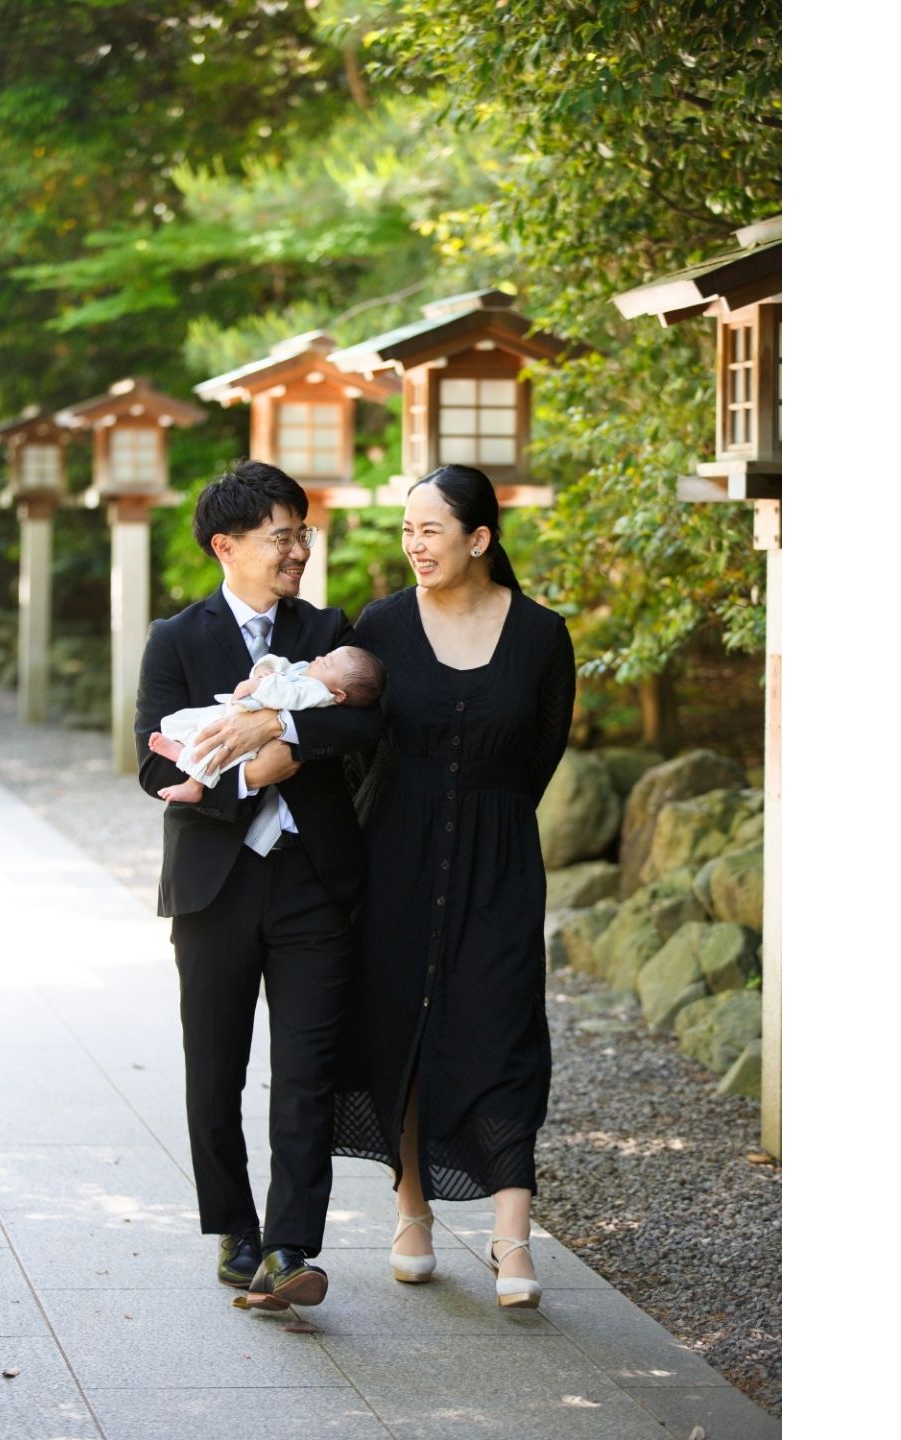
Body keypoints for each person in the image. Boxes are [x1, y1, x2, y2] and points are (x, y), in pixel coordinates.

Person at [134, 459, 383, 1311]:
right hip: (213, 886)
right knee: (216, 1067)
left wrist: (277, 723)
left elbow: (361, 718)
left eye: (303, 534)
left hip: (314, 879)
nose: (299, 551)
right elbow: (148, 762)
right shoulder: (175, 639)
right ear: (226, 545)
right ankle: (234, 1228)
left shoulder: (328, 627)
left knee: (308, 1067)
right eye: (282, 536)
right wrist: (251, 774)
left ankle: (290, 1246)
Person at [332, 463, 576, 1310]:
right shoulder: (383, 628)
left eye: (430, 529)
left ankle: (514, 1241)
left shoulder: (543, 637)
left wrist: (486, 816)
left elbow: (540, 751)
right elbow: (363, 748)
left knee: (506, 1029)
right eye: (408, 529)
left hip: (501, 858)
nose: (414, 544)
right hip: (395, 850)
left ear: (480, 539)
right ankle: (412, 1212)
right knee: (402, 1020)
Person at [147, 645, 386, 803]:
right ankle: (185, 752)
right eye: (328, 655)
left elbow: (287, 695)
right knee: (202, 726)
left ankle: (193, 781)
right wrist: (266, 668)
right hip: (237, 713)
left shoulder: (318, 692)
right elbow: (284, 667)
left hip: (256, 744)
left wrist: (259, 691)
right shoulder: (309, 672)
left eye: (329, 663)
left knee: (218, 749)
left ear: (338, 695)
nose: (321, 658)